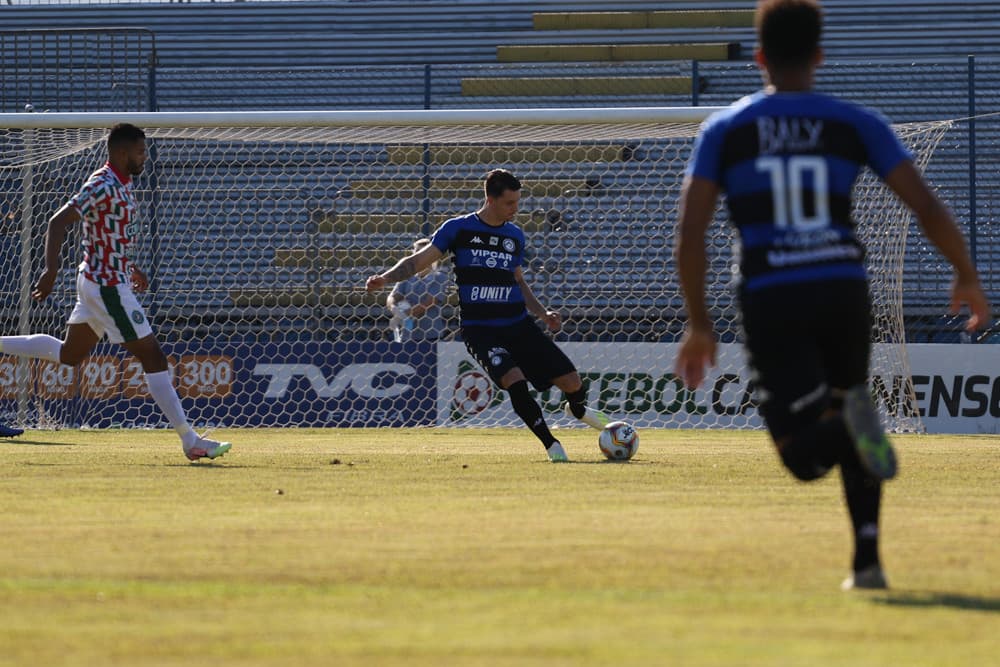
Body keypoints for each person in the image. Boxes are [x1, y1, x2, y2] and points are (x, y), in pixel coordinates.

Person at [674, 0, 989, 591]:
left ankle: (849, 426)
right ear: (819, 57)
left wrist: (698, 322)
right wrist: (965, 273)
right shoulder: (854, 122)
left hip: (772, 294)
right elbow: (923, 202)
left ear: (759, 57)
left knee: (801, 455)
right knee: (850, 403)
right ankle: (867, 561)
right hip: (843, 289)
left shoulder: (727, 129)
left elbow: (691, 230)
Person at [0, 123, 232, 462]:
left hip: (102, 280)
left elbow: (108, 235)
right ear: (122, 152)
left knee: (69, 355)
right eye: (140, 152)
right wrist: (50, 270)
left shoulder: (123, 183)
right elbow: (57, 222)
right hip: (106, 287)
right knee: (153, 357)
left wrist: (129, 265)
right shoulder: (103, 182)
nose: (145, 157)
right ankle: (190, 440)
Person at [366, 169, 608, 462]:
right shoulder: (459, 228)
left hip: (519, 324)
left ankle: (578, 410)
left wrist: (543, 313)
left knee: (572, 382)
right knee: (514, 380)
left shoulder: (514, 235)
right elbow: (418, 261)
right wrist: (386, 278)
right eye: (510, 203)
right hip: (480, 328)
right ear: (490, 199)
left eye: (518, 201)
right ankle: (551, 445)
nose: (516, 209)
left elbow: (518, 281)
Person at [385, 238, 452, 343]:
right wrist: (393, 307)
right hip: (407, 337)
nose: (418, 257)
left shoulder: (440, 277)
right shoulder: (407, 276)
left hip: (431, 337)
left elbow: (427, 304)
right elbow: (392, 297)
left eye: (422, 253)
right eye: (416, 253)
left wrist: (401, 314)